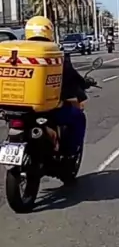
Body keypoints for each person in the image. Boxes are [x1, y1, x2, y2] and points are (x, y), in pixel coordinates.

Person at [25, 16, 87, 155]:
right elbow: (69, 76)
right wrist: (81, 91)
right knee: (78, 117)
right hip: (47, 109)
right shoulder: (54, 53)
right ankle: (69, 153)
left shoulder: (19, 52)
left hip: (16, 109)